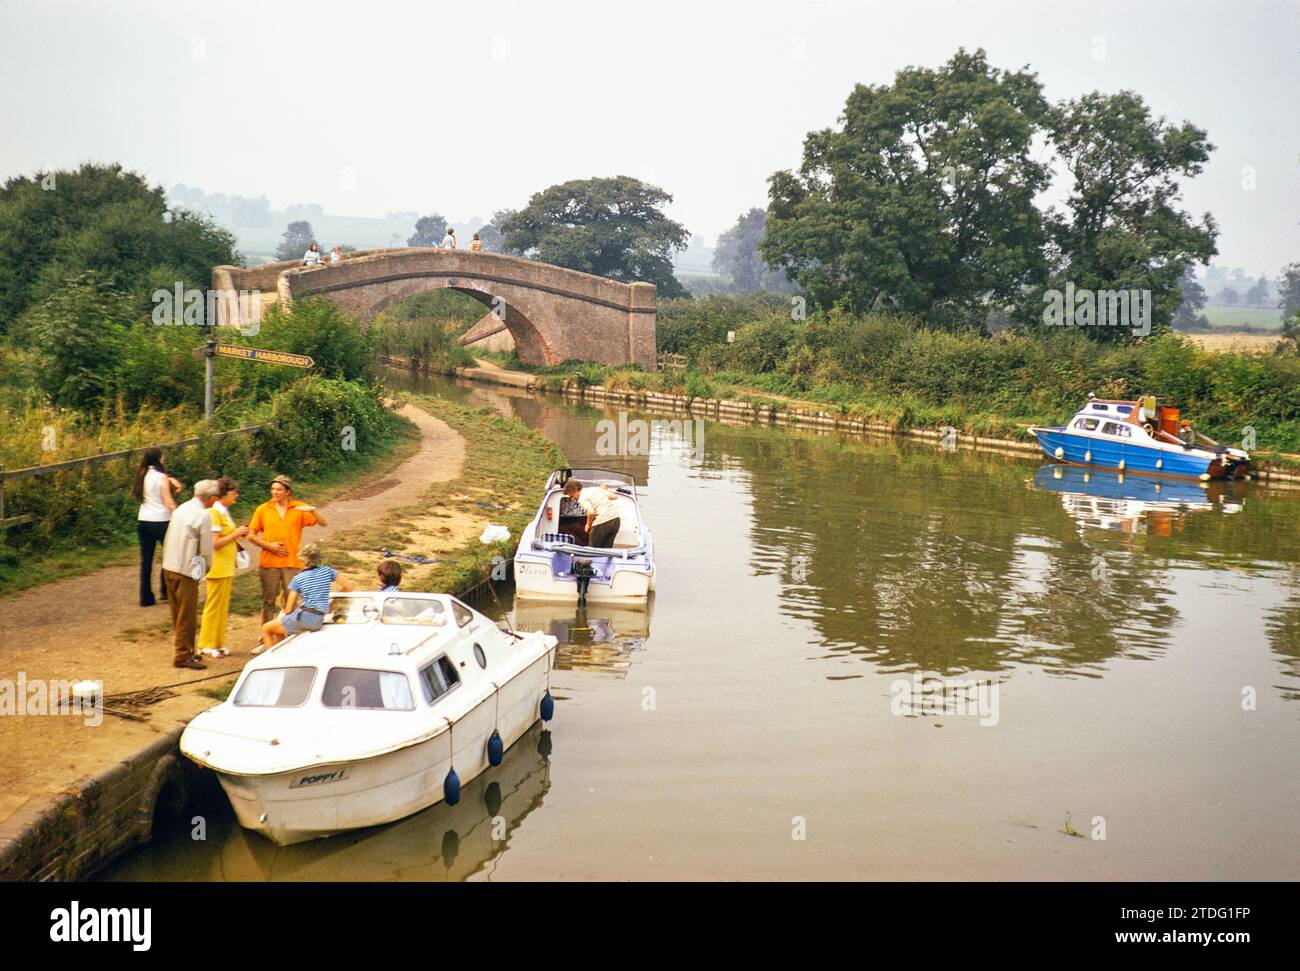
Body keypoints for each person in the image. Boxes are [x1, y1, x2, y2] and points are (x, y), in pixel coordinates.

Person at [247, 475, 328, 624]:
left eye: (279, 489)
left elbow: (323, 523)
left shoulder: (298, 508)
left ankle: (288, 631)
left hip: (291, 563)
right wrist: (269, 546)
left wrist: (312, 510)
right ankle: (266, 634)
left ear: (288, 491)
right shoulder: (263, 509)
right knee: (268, 601)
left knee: (291, 600)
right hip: (269, 563)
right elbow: (251, 536)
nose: (275, 492)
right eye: (273, 489)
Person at [160, 480, 220, 669]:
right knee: (187, 615)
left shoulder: (180, 510)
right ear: (211, 498)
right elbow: (206, 551)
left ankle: (186, 650)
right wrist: (203, 572)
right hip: (186, 570)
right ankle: (182, 655)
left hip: (169, 566)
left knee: (177, 612)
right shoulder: (202, 516)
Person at [260, 543, 354, 648]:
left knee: (266, 628)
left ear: (304, 561)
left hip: (304, 618)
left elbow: (288, 609)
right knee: (279, 630)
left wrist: (288, 611)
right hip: (318, 619)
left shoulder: (299, 578)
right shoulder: (328, 571)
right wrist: (333, 599)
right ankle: (283, 653)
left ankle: (273, 660)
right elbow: (349, 587)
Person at [198, 478, 249, 658]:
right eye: (233, 493)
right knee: (213, 606)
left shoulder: (224, 512)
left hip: (227, 566)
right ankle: (206, 643)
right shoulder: (214, 513)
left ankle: (218, 642)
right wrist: (236, 533)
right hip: (217, 567)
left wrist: (238, 535)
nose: (236, 496)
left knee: (222, 607)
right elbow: (215, 543)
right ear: (224, 494)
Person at [131, 448, 183, 607]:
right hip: (161, 520)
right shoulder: (161, 477)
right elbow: (168, 501)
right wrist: (178, 513)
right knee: (168, 555)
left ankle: (145, 596)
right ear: (158, 459)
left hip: (144, 520)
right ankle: (165, 590)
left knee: (146, 560)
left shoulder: (141, 475)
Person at [580, 481, 621, 549]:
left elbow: (591, 512)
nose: (572, 498)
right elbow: (615, 496)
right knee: (607, 550)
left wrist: (588, 525)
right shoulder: (597, 489)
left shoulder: (581, 497)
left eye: (571, 496)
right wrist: (604, 490)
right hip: (616, 519)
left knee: (593, 549)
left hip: (602, 521)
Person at [558, 478, 589, 545]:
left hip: (578, 519)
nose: (572, 498)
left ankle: (581, 546)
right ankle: (583, 546)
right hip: (582, 518)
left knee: (561, 529)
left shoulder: (582, 497)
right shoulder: (586, 494)